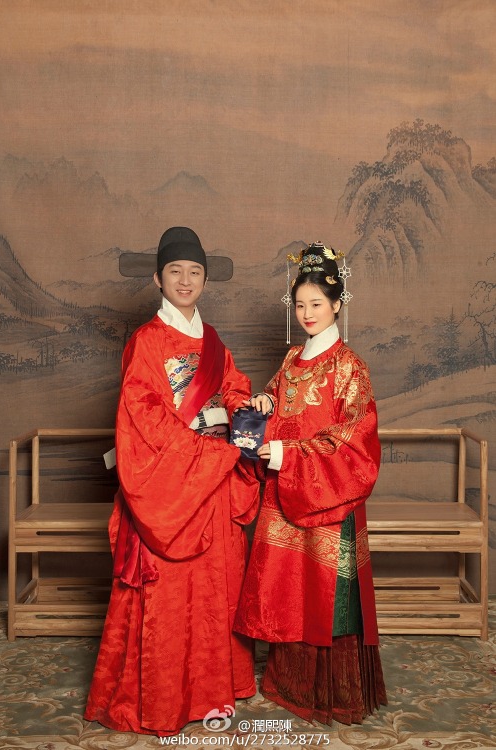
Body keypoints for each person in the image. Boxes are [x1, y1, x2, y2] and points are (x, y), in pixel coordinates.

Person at [85, 227, 259, 736]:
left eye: (195, 272)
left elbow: (235, 389)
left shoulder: (213, 342)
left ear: (205, 280)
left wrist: (245, 414)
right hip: (170, 487)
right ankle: (162, 701)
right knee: (168, 599)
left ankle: (209, 693)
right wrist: (210, 438)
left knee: (214, 590)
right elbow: (144, 417)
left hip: (210, 483)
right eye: (176, 271)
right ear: (159, 279)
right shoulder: (145, 342)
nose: (185, 281)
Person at [234, 242, 387, 726]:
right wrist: (262, 405)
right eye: (299, 305)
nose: (307, 314)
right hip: (287, 495)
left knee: (327, 596)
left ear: (337, 303)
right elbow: (280, 406)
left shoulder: (351, 368)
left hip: (328, 501)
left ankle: (331, 691)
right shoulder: (291, 359)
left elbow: (353, 442)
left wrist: (285, 453)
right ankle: (288, 681)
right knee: (286, 591)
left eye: (316, 304)